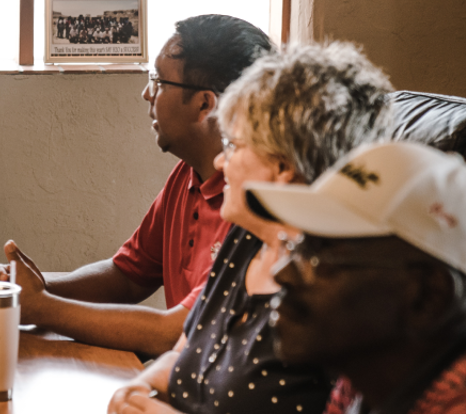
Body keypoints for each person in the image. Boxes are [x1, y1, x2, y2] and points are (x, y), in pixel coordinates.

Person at [107, 41, 393, 414]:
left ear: (283, 167)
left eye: (233, 145)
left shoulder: (329, 289)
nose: (221, 161)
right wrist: (137, 387)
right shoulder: (245, 239)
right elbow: (183, 353)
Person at [0, 15, 273, 356]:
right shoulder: (186, 175)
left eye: (159, 81)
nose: (146, 93)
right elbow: (127, 277)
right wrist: (32, 289)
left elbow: (174, 333)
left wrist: (44, 308)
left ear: (204, 104)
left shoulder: (253, 201)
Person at [247, 141, 466, 414]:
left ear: (427, 295)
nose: (281, 273)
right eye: (298, 247)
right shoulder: (363, 381)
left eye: (320, 254)